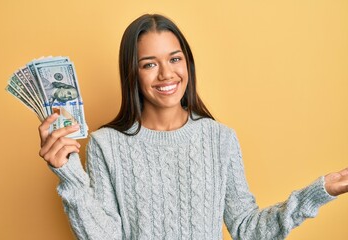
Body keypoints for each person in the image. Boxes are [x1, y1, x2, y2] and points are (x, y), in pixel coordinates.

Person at [38, 14, 348, 240]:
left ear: (188, 64)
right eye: (149, 64)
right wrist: (70, 176)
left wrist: (316, 194)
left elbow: (246, 228)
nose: (166, 74)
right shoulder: (106, 145)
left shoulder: (219, 139)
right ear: (132, 73)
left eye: (175, 59)